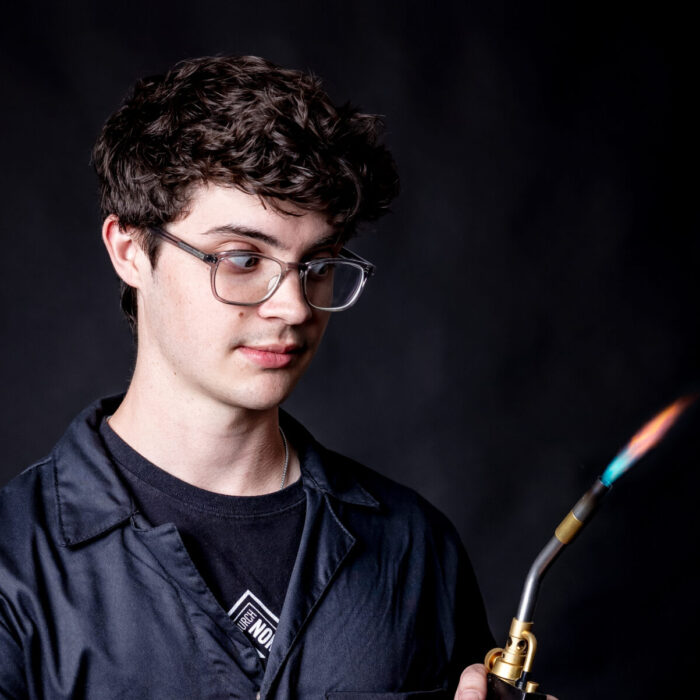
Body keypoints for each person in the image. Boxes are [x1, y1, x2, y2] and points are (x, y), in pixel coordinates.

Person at [0, 55, 545, 699]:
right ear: (128, 249)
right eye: (241, 258)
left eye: (318, 263)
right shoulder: (14, 561)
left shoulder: (414, 544)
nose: (294, 306)